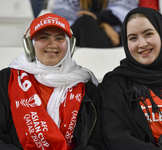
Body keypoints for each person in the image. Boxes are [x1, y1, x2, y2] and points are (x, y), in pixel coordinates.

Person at [0, 13, 107, 150]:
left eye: (59, 38)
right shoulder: (7, 79)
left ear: (70, 45)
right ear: (29, 45)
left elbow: (95, 142)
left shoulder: (86, 87)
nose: (52, 44)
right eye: (44, 37)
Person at [98, 7, 162, 149]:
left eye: (148, 34)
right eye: (133, 38)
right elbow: (117, 138)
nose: (142, 44)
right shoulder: (114, 85)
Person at [53, 0, 138, 48]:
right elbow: (62, 17)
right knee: (86, 21)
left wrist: (98, 19)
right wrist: (103, 25)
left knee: (129, 30)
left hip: (113, 35)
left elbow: (126, 11)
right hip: (75, 37)